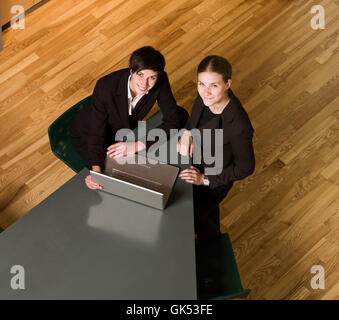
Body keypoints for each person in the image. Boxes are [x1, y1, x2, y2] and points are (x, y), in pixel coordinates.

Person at [70, 46, 188, 190]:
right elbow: (96, 133)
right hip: (88, 133)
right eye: (140, 75)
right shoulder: (105, 86)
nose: (144, 84)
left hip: (124, 132)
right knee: (114, 176)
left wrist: (137, 145)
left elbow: (174, 120)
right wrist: (96, 171)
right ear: (131, 70)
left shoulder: (160, 80)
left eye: (151, 77)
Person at [177, 55, 255, 238]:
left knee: (189, 220)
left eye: (214, 85)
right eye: (201, 84)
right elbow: (196, 112)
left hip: (212, 181)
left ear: (228, 84)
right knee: (202, 215)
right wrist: (187, 133)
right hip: (194, 162)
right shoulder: (206, 97)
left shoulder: (239, 126)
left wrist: (203, 179)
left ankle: (213, 245)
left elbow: (246, 168)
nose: (205, 92)